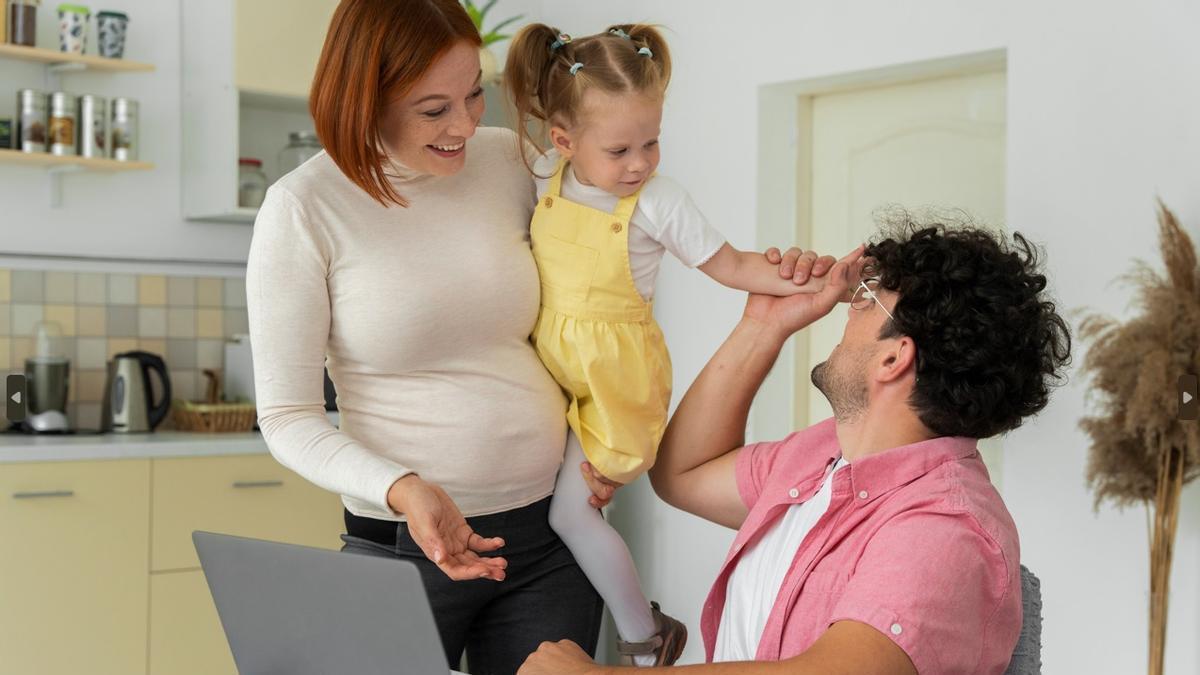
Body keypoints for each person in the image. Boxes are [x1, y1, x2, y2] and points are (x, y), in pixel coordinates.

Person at [246, 2, 820, 673]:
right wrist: (403, 485)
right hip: (406, 548)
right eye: (434, 110)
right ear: (363, 97)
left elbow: (607, 265)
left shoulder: (513, 163)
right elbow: (287, 418)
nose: (464, 125)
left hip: (550, 540)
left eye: (473, 95)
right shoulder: (304, 208)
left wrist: (607, 427)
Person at [518, 219, 1072, 674]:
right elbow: (683, 472)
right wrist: (764, 324)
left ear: (892, 358)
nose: (842, 310)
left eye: (862, 301)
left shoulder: (944, 525)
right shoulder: (823, 458)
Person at [503, 23, 826, 667]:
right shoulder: (545, 176)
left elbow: (733, 266)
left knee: (572, 515)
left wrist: (814, 279)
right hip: (555, 372)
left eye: (651, 143)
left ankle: (645, 638)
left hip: (618, 384)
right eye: (620, 149)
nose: (641, 163)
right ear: (564, 140)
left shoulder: (658, 203)